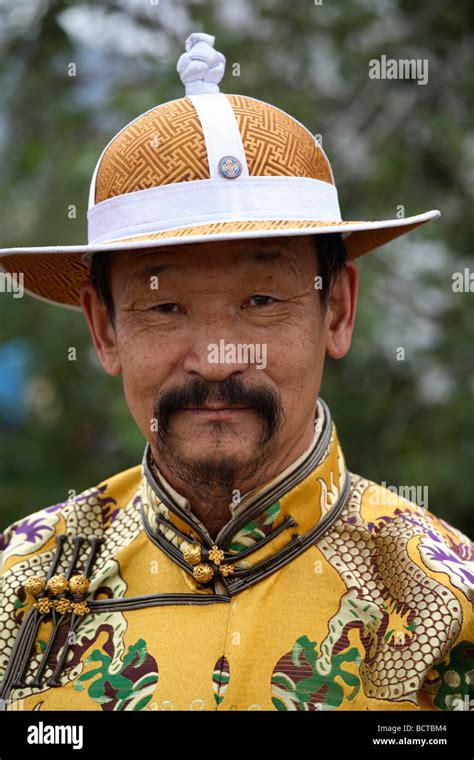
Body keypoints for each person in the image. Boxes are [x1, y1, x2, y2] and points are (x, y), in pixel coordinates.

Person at [0, 31, 471, 712]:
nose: (218, 357)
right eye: (164, 306)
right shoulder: (23, 584)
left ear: (336, 310)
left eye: (261, 301)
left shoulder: (446, 603)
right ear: (104, 329)